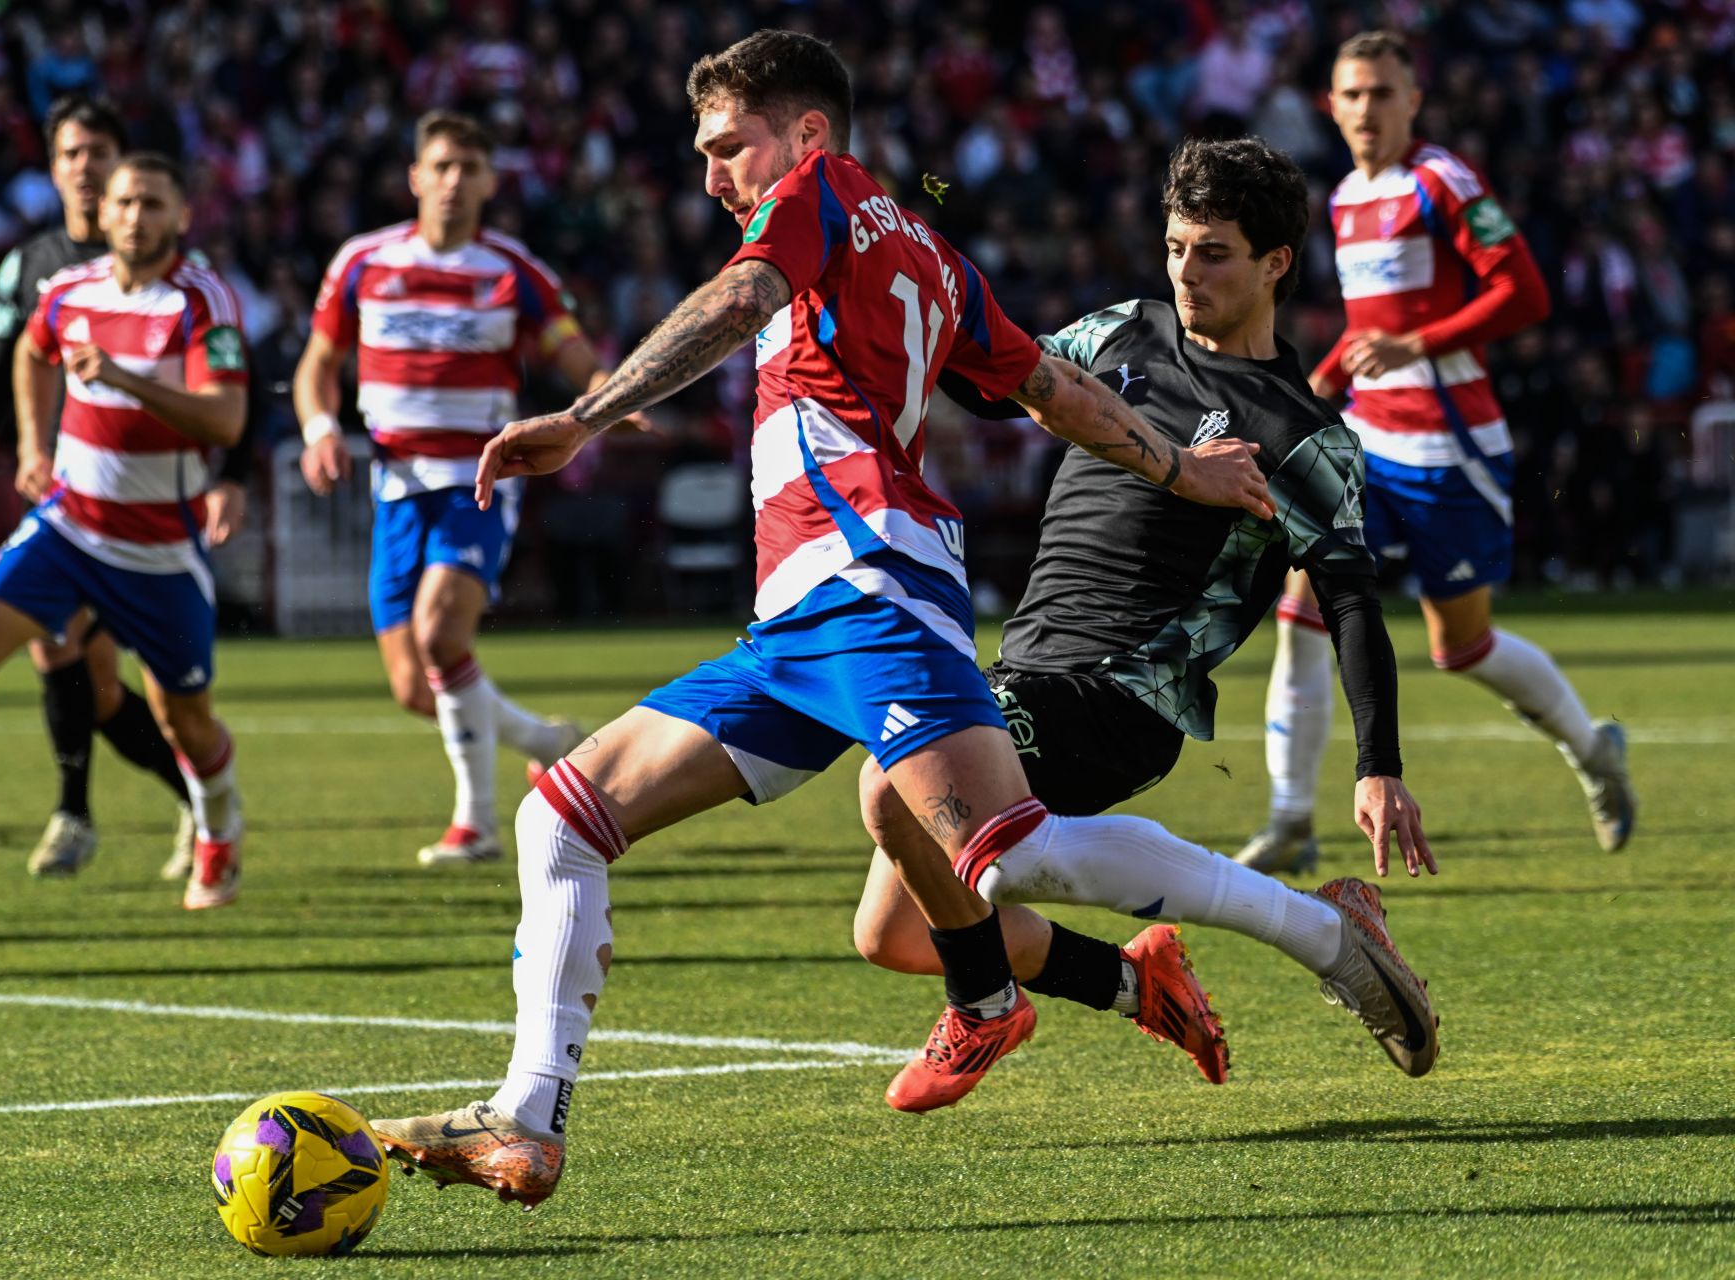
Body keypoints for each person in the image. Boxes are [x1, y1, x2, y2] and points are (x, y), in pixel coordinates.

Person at [364, 30, 1274, 1210]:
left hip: (867, 578)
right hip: (801, 617)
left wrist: (586, 415)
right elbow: (1053, 389)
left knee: (1009, 848)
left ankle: (1308, 926)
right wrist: (1180, 469)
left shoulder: (815, 197)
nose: (713, 176)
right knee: (562, 817)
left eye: (727, 145)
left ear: (807, 134)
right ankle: (527, 1117)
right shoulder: (931, 253)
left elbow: (742, 298)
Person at [853, 136, 1438, 1085]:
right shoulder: (1119, 331)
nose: (1185, 271)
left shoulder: (1302, 433)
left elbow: (1353, 602)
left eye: (1213, 253)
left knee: (892, 787)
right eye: (1175, 247)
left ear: (1275, 263)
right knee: (896, 933)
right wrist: (910, 251)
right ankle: (1139, 982)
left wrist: (1380, 768)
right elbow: (983, 379)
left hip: (1127, 695)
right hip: (1023, 672)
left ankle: (1309, 932)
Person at [1240, 30, 1635, 874]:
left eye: (1383, 93)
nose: (1366, 110)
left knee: (1462, 646)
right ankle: (1290, 819)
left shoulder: (1442, 181)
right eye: (1351, 95)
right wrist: (1315, 390)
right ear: (1331, 105)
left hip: (1450, 450)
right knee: (1301, 611)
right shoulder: (1344, 196)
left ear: (1413, 100)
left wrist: (1417, 346)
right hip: (1370, 446)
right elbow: (1368, 328)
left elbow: (1523, 292)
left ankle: (1594, 750)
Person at [0, 154, 251, 912]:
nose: (135, 216)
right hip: (68, 523)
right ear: (108, 212)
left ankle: (220, 826)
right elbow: (30, 351)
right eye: (126, 202)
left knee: (183, 718)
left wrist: (123, 378)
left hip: (158, 547)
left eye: (153, 203)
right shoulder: (67, 290)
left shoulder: (202, 301)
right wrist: (32, 444)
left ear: (181, 215)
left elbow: (225, 418)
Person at [293, 111, 603, 867]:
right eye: (442, 166)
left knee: (440, 634)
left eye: (470, 167)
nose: (455, 180)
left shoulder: (513, 270)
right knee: (411, 685)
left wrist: (603, 401)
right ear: (415, 177)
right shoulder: (363, 262)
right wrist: (319, 429)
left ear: (491, 182)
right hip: (395, 483)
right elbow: (318, 363)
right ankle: (545, 742)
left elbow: (571, 352)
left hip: (479, 479)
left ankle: (478, 824)